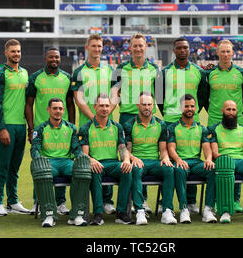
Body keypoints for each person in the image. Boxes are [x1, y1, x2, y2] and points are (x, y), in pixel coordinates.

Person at [111, 33, 161, 213]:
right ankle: (128, 201)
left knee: (144, 158)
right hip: (126, 118)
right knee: (128, 160)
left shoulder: (154, 69)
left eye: (141, 45)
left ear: (145, 46)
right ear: (130, 48)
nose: (138, 48)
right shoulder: (120, 68)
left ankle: (143, 200)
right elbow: (113, 95)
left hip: (147, 119)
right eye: (135, 46)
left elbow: (160, 97)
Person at [160, 37, 208, 214]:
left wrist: (191, 111)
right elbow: (158, 98)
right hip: (170, 119)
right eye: (179, 48)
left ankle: (190, 201)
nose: (182, 50)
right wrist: (169, 111)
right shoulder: (164, 72)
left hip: (189, 119)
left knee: (191, 157)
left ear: (190, 50)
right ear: (174, 50)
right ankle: (164, 201)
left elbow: (202, 95)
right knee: (169, 162)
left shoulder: (198, 72)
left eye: (185, 48)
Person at [26, 47, 75, 215]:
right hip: (42, 129)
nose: (54, 59)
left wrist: (72, 126)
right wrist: (31, 128)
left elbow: (70, 104)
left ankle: (61, 203)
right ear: (45, 58)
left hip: (63, 128)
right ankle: (37, 201)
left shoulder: (67, 78)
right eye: (51, 57)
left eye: (57, 57)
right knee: (41, 165)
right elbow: (29, 104)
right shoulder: (35, 78)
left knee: (62, 159)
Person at [70, 34, 116, 214]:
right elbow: (79, 100)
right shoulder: (79, 71)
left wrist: (105, 115)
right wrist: (94, 118)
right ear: (87, 47)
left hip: (107, 125)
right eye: (94, 46)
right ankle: (84, 203)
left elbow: (115, 96)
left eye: (99, 46)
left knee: (107, 160)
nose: (97, 49)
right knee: (87, 164)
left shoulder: (110, 70)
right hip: (87, 125)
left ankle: (107, 201)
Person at [203, 39, 243, 213]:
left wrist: (236, 116)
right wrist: (215, 113)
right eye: (222, 51)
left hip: (236, 123)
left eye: (228, 51)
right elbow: (204, 97)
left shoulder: (242, 73)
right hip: (214, 123)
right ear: (217, 52)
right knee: (215, 162)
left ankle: (235, 200)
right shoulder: (209, 74)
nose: (225, 54)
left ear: (233, 53)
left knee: (237, 159)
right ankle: (216, 200)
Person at [30, 98, 91, 227]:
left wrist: (81, 158)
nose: (58, 111)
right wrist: (39, 159)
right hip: (49, 163)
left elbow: (77, 149)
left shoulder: (71, 128)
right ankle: (48, 215)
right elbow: (34, 149)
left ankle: (77, 214)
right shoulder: (40, 129)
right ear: (48, 110)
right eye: (55, 108)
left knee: (82, 171)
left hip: (66, 162)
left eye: (60, 109)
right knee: (43, 172)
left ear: (63, 110)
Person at [78, 93, 133, 225]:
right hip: (97, 163)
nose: (104, 108)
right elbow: (84, 153)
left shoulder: (117, 127)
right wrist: (91, 160)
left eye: (107, 106)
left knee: (127, 170)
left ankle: (121, 213)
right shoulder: (86, 128)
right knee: (95, 171)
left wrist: (126, 160)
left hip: (113, 164)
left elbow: (122, 148)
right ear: (94, 106)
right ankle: (98, 214)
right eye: (101, 105)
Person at [123, 91, 177, 225]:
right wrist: (133, 158)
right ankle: (140, 211)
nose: (147, 107)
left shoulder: (161, 124)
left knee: (169, 169)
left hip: (154, 162)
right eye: (143, 104)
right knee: (135, 170)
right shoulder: (129, 124)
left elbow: (163, 150)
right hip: (138, 161)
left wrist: (165, 158)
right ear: (137, 105)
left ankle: (167, 211)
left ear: (153, 105)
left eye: (149, 104)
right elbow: (126, 150)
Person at [0, 39, 30, 216]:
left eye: (18, 51)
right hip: (7, 127)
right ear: (6, 53)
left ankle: (12, 201)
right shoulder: (0, 74)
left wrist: (30, 128)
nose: (16, 54)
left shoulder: (25, 73)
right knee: (2, 165)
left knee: (15, 166)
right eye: (13, 51)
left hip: (21, 126)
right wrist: (2, 127)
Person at [167, 94, 217, 224]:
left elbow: (207, 148)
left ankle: (208, 209)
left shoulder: (202, 128)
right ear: (180, 108)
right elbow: (171, 148)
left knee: (212, 169)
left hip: (196, 162)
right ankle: (184, 209)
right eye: (186, 106)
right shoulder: (173, 127)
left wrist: (209, 159)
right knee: (179, 170)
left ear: (196, 108)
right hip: (181, 162)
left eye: (192, 106)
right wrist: (178, 160)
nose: (189, 109)